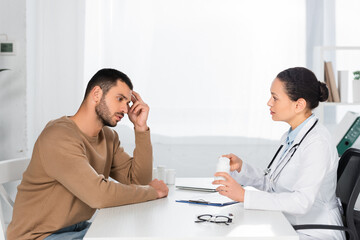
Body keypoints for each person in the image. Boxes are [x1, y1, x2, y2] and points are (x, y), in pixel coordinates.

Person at [7, 68, 169, 240]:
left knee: (134, 232)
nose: (126, 109)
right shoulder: (58, 136)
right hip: (39, 236)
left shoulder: (108, 137)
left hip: (77, 228)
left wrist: (141, 128)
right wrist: (152, 192)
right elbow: (99, 195)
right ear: (97, 94)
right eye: (120, 99)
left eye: (128, 102)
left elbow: (139, 182)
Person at [213, 67, 345, 240]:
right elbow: (272, 183)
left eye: (275, 98)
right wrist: (241, 168)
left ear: (299, 105)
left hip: (315, 232)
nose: (269, 103)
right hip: (289, 224)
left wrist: (245, 196)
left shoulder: (317, 143)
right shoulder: (292, 135)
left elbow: (301, 202)